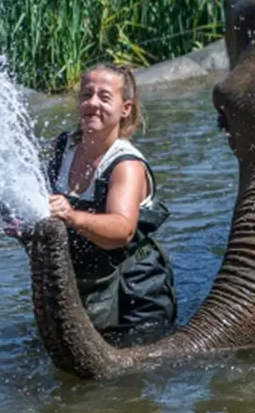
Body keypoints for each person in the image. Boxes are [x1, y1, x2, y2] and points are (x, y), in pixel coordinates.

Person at [43, 63, 177, 343]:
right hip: (82, 284)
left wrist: (71, 215)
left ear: (125, 108)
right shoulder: (63, 146)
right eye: (86, 95)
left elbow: (121, 230)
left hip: (134, 295)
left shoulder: (126, 164)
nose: (92, 103)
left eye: (104, 97)